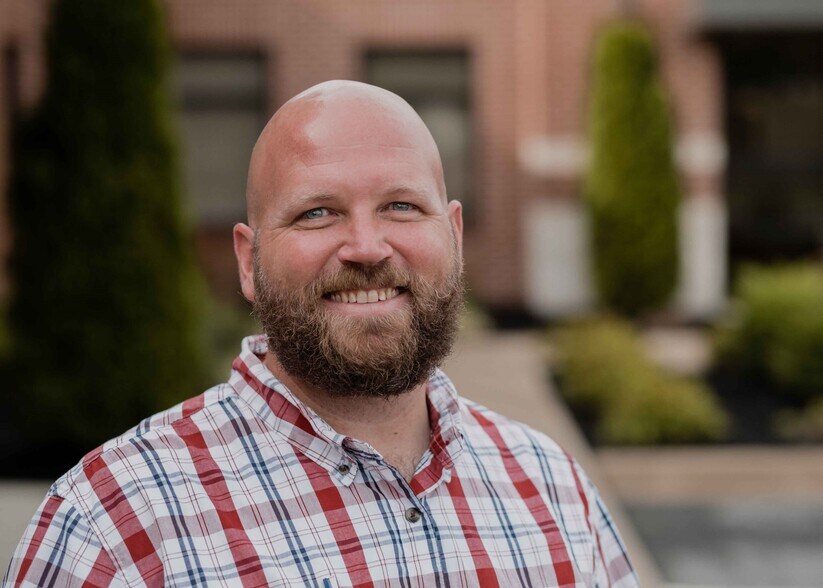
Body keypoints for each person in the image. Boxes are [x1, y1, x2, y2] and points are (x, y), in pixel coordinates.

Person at [5, 81, 638, 587]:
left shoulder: (553, 490)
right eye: (317, 213)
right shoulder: (116, 527)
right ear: (249, 261)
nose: (367, 247)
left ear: (454, 236)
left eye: (401, 206)